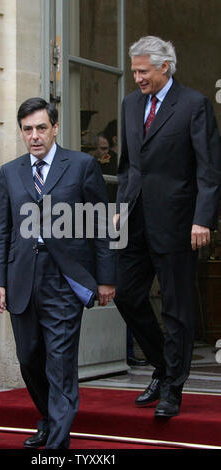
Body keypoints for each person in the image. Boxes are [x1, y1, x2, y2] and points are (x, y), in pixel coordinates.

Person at [0, 97, 116, 449]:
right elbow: (1, 230)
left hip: (64, 277)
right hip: (22, 277)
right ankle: (48, 418)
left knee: (59, 362)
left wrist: (106, 277)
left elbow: (102, 225)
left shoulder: (81, 166)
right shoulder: (10, 172)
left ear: (55, 128)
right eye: (27, 129)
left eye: (41, 128)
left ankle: (57, 443)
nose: (34, 136)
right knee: (29, 358)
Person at [114, 36, 221, 418]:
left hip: (179, 223)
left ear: (165, 66)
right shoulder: (130, 104)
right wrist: (120, 206)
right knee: (125, 293)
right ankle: (162, 365)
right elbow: (128, 166)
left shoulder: (194, 105)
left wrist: (203, 218)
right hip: (135, 219)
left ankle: (173, 389)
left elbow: (209, 169)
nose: (138, 78)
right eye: (134, 71)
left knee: (177, 307)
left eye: (143, 71)